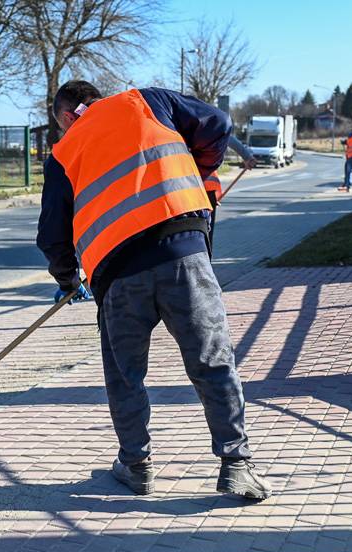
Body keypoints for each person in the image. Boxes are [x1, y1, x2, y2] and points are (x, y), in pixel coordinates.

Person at [37, 80, 272, 500]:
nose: (64, 133)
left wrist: (68, 280)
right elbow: (217, 123)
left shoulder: (63, 153)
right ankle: (236, 464)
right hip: (184, 254)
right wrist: (199, 174)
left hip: (117, 274)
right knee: (212, 361)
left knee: (125, 376)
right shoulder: (146, 100)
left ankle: (136, 465)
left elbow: (53, 234)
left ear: (69, 114)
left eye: (61, 124)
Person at [203, 136, 256, 252]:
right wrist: (247, 156)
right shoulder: (208, 125)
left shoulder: (178, 123)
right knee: (205, 234)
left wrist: (247, 156)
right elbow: (227, 136)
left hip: (192, 188)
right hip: (207, 188)